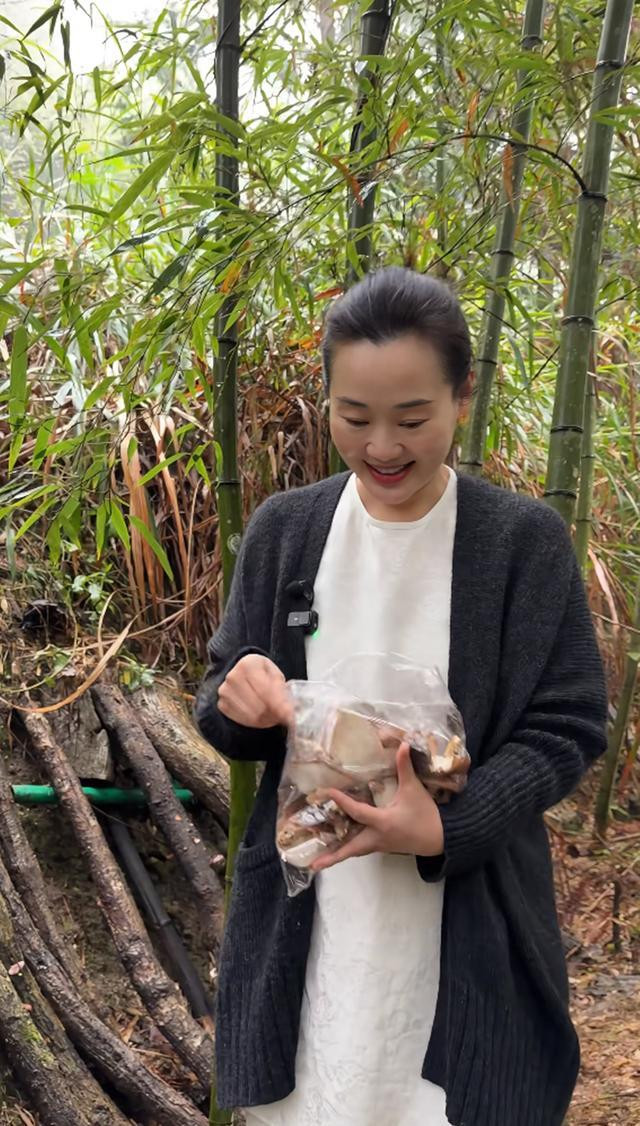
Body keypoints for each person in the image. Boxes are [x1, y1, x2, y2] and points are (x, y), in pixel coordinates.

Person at [194, 266, 608, 1126]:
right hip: (313, 918)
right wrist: (239, 701)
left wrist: (449, 825)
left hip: (468, 922)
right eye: (354, 417)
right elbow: (224, 694)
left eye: (413, 419)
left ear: (463, 396)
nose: (382, 447)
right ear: (328, 402)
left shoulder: (522, 543)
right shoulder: (286, 530)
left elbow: (568, 723)